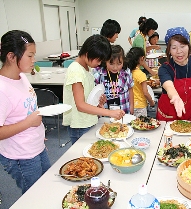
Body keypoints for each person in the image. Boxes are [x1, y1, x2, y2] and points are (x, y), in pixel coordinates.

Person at [0, 30, 51, 194]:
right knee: (34, 197)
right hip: (21, 156)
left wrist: (38, 132)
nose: (33, 60)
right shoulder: (2, 89)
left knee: (47, 188)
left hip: (36, 147)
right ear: (11, 56)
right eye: (30, 56)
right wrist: (29, 123)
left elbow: (27, 111)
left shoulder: (22, 77)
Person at [63, 35, 125, 144]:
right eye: (99, 60)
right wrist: (109, 112)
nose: (99, 63)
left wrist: (98, 101)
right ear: (88, 54)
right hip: (80, 124)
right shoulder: (76, 71)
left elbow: (87, 98)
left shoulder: (87, 68)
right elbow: (81, 105)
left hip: (88, 120)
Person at [157, 27, 191, 122]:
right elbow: (168, 86)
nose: (179, 51)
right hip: (167, 117)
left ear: (189, 46)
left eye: (182, 46)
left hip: (189, 115)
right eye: (174, 48)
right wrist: (175, 97)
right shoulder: (165, 68)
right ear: (169, 50)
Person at [94, 45, 134, 114]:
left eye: (119, 63)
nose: (115, 67)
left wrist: (132, 106)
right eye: (111, 63)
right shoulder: (99, 74)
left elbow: (130, 89)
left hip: (124, 110)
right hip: (105, 112)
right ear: (105, 61)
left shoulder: (126, 72)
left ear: (123, 61)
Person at [126, 47, 155, 117]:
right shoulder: (141, 75)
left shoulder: (127, 72)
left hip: (130, 104)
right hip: (140, 106)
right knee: (140, 125)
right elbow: (145, 93)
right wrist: (152, 103)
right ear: (142, 58)